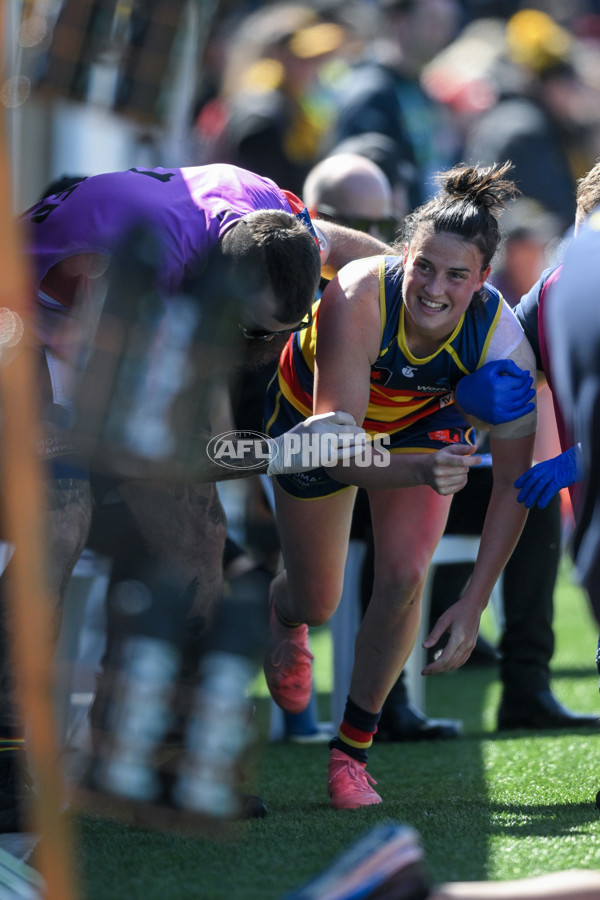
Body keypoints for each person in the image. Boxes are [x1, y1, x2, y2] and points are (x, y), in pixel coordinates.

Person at [1, 162, 404, 830]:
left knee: (196, 538)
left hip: (96, 322)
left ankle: (157, 752)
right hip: (26, 326)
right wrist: (279, 451)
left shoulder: (284, 227)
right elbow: (164, 449)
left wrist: (436, 296)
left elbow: (357, 253)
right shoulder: (147, 278)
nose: (269, 347)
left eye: (283, 330)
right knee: (59, 519)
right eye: (254, 332)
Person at [263, 161, 538, 810]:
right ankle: (282, 610)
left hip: (419, 426)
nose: (435, 288)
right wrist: (418, 469)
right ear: (403, 255)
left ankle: (351, 756)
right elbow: (340, 448)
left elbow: (513, 485)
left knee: (406, 576)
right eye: (424, 267)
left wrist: (473, 602)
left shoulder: (503, 341)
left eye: (457, 275)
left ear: (483, 281)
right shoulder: (359, 294)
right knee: (318, 601)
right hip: (319, 428)